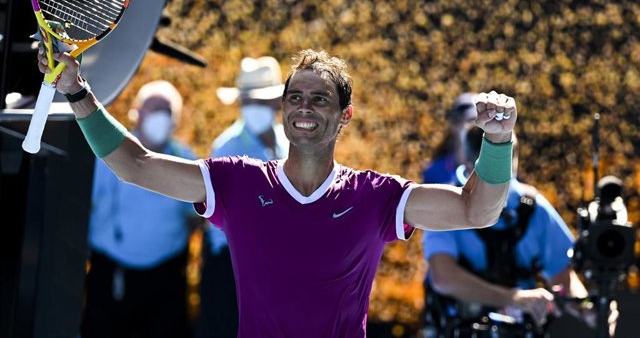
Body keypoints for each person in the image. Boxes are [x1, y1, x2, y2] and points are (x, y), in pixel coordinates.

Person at [39, 47, 517, 337]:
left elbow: (477, 209)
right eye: (295, 97)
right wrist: (78, 92)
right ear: (283, 109)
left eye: (320, 98)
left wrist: (497, 141)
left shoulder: (375, 196)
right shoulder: (237, 181)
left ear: (343, 116)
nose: (304, 107)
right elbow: (133, 165)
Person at [422, 126, 617, 337]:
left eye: (510, 154)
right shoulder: (445, 204)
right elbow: (443, 278)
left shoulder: (532, 208)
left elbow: (561, 278)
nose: (505, 168)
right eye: (493, 161)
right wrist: (515, 298)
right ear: (469, 164)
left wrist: (588, 308)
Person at [81, 80, 196, 338]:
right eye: (155, 108)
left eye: (167, 111)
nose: (161, 117)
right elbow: (85, 205)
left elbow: (196, 217)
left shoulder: (186, 159)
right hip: (111, 271)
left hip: (165, 276)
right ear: (137, 112)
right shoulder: (107, 153)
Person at [197, 56, 289, 338]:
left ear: (276, 104)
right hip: (233, 262)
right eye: (248, 102)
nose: (254, 109)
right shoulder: (227, 148)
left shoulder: (287, 143)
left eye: (260, 102)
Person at [422, 92, 477, 185]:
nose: (476, 127)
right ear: (455, 125)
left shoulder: (496, 168)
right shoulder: (434, 173)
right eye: (471, 121)